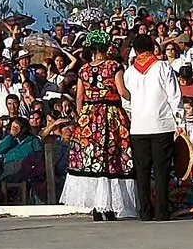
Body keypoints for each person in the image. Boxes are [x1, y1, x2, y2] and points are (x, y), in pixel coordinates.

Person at [60, 31, 136, 220]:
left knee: (92, 160)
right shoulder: (113, 66)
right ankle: (108, 207)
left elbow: (79, 97)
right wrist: (137, 97)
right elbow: (122, 91)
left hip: (89, 116)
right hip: (110, 115)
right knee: (111, 159)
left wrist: (81, 116)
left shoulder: (84, 70)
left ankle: (96, 206)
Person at [124, 33, 182, 221]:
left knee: (141, 171)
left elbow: (127, 101)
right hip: (161, 125)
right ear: (152, 47)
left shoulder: (129, 72)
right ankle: (162, 211)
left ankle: (145, 211)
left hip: (138, 127)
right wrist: (180, 122)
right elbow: (174, 97)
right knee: (161, 170)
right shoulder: (163, 67)